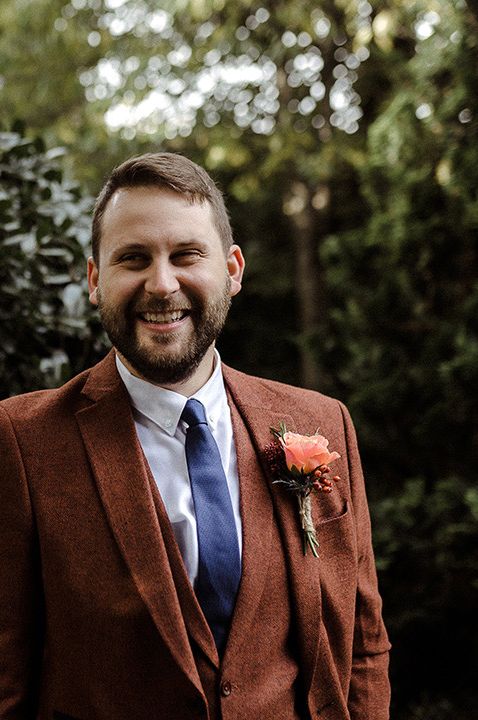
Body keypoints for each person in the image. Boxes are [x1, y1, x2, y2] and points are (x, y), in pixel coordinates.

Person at [0, 152, 391, 720]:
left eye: (186, 255)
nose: (162, 285)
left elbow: (363, 645)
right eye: (133, 258)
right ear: (94, 279)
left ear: (232, 269)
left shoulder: (324, 423)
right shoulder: (20, 441)